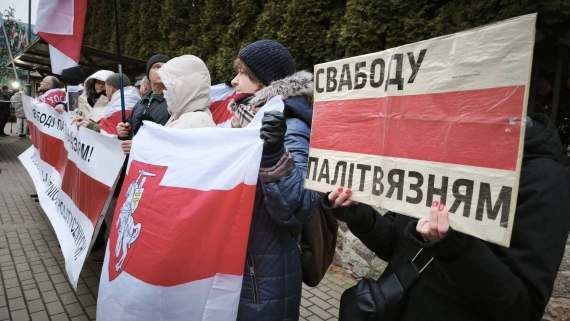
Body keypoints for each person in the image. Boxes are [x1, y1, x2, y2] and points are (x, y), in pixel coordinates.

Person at [324, 113, 570, 321]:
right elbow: (396, 247)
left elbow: (522, 309)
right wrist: (355, 212)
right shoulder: (438, 155)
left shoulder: (545, 180)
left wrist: (454, 246)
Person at [227, 40, 320, 321]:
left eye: (242, 73)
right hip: (243, 263)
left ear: (265, 80)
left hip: (264, 273)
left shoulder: (291, 127)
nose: (234, 80)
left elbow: (300, 207)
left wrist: (274, 154)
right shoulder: (242, 122)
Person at [157, 55, 216, 128]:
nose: (165, 93)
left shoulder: (190, 122)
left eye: (168, 88)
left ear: (181, 89)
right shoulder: (197, 117)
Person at [72, 73, 140, 133]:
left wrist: (91, 126)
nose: (101, 86)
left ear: (111, 88)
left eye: (104, 85)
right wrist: (89, 122)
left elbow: (112, 132)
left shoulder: (120, 106)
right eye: (98, 82)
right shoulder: (131, 99)